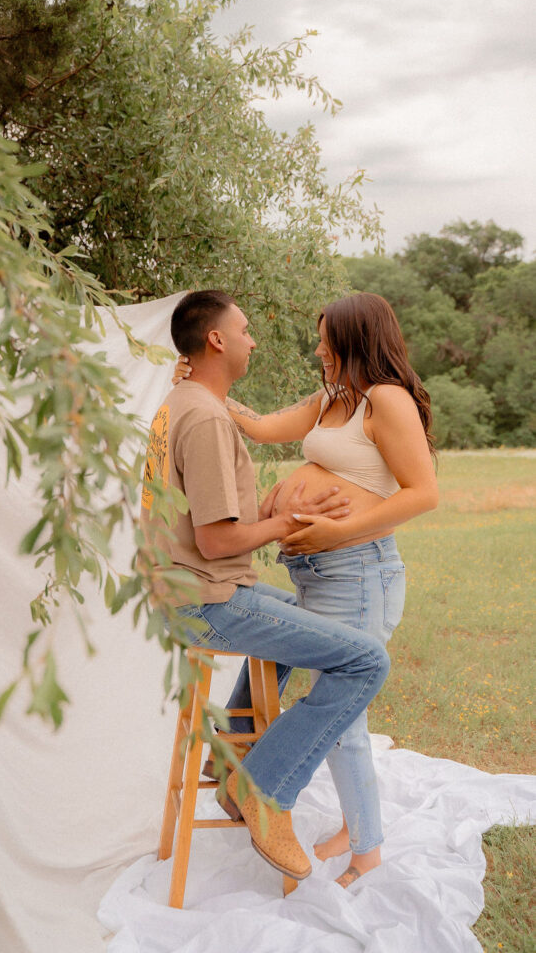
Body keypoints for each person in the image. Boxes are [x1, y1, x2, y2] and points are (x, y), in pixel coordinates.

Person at [174, 290, 438, 887]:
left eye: (326, 338)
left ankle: (365, 852)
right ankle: (334, 817)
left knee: (347, 713)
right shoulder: (331, 399)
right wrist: (205, 388)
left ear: (356, 339)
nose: (317, 348)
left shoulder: (386, 400)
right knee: (337, 703)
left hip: (360, 572)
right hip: (317, 573)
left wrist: (338, 528)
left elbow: (423, 492)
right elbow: (263, 428)